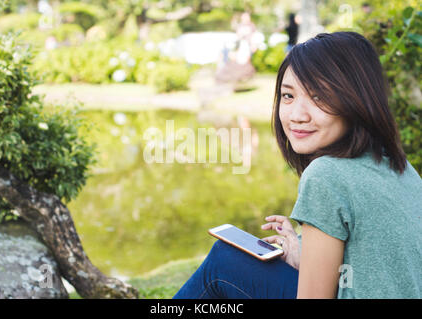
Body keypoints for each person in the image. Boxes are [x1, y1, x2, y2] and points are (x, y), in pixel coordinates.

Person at [174, 31, 422, 299]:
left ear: (356, 100)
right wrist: (305, 257)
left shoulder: (326, 175)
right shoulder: (398, 166)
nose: (297, 116)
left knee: (224, 263)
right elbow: (376, 273)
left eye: (319, 97)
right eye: (288, 96)